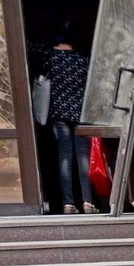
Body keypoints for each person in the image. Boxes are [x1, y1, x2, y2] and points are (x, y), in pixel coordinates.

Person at [44, 32, 96, 214]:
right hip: (81, 114)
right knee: (83, 157)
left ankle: (68, 203)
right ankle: (88, 202)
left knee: (64, 157)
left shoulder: (51, 58)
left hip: (59, 114)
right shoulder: (83, 60)